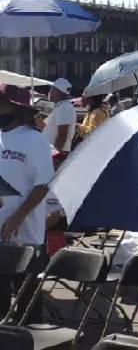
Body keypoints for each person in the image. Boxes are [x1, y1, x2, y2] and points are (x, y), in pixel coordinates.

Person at [0, 85, 55, 319]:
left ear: (18, 108)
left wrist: (17, 217)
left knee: (28, 304)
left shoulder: (35, 141)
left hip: (25, 234)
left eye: (2, 102)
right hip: (1, 233)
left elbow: (43, 186)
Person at [41, 78, 76, 154]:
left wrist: (53, 155)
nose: (49, 92)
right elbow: (49, 129)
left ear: (56, 91)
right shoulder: (60, 107)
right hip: (51, 151)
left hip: (57, 153)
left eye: (51, 89)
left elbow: (62, 135)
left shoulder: (65, 107)